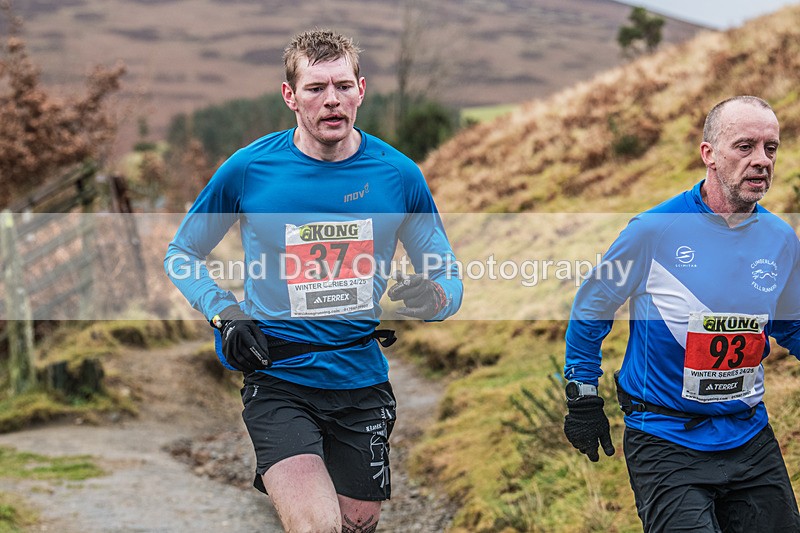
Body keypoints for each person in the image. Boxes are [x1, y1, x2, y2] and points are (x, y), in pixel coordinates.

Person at [164, 29, 462, 532]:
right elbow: (182, 253)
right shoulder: (250, 169)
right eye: (315, 88)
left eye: (343, 86)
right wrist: (225, 312)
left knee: (357, 525)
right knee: (317, 526)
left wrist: (433, 295)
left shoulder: (399, 175)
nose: (331, 101)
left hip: (361, 382)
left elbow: (446, 272)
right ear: (290, 96)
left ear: (361, 90)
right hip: (280, 379)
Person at [562, 96, 800, 532]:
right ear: (709, 154)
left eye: (771, 148)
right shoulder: (654, 230)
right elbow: (593, 304)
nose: (761, 161)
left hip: (748, 435)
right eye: (745, 146)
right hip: (665, 438)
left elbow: (791, 323)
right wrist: (581, 394)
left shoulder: (780, 238)